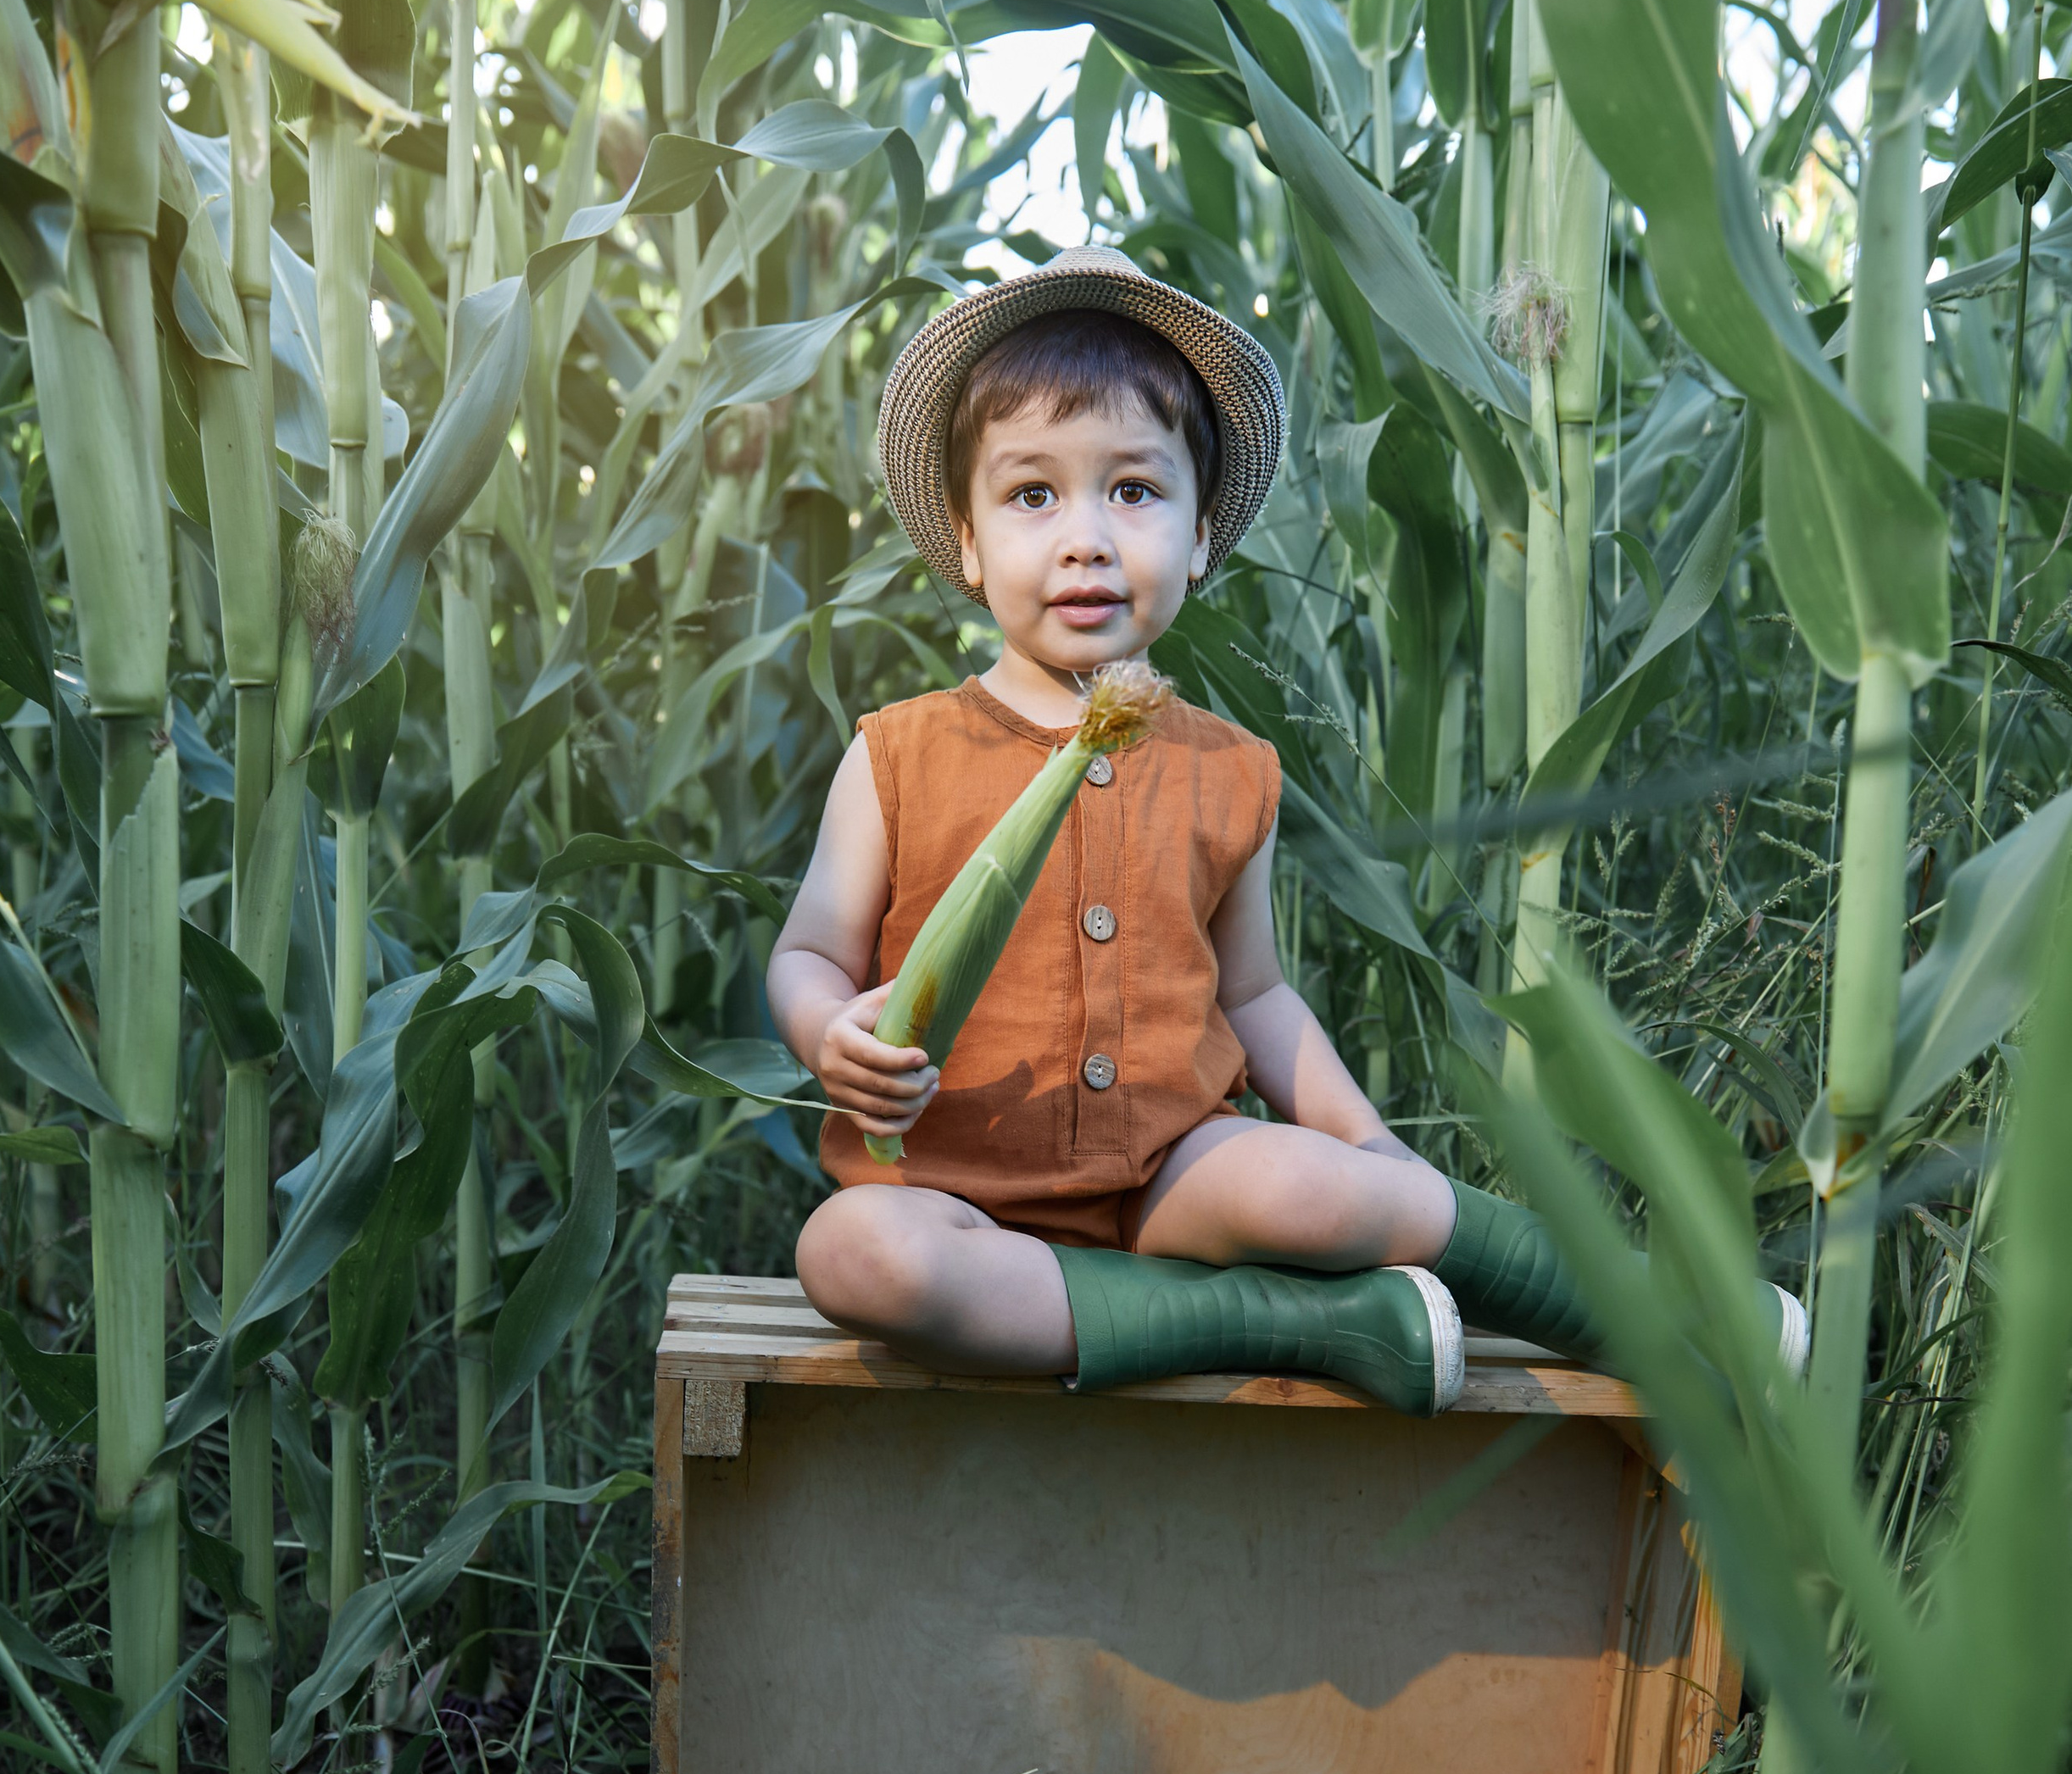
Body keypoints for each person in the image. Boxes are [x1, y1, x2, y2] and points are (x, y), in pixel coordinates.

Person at [766, 247, 1800, 1410]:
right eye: (1032, 494)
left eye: (1136, 491)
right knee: (850, 1257)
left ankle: (1675, 1320)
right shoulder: (900, 752)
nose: (1087, 537)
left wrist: (1376, 1154)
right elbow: (810, 954)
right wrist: (828, 1034)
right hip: (953, 1195)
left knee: (1323, 1187)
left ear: (1201, 537)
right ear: (965, 539)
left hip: (1174, 1180)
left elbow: (1253, 1000)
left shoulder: (1227, 769)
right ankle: (1309, 1323)